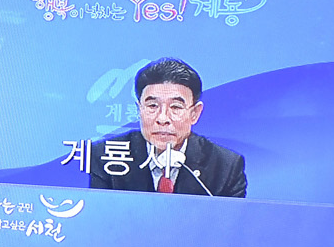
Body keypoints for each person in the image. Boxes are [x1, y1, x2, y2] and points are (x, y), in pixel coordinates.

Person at [89, 58, 245, 197]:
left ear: (195, 114)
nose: (162, 118)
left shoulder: (226, 167)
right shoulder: (105, 155)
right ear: (139, 110)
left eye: (176, 107)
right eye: (152, 106)